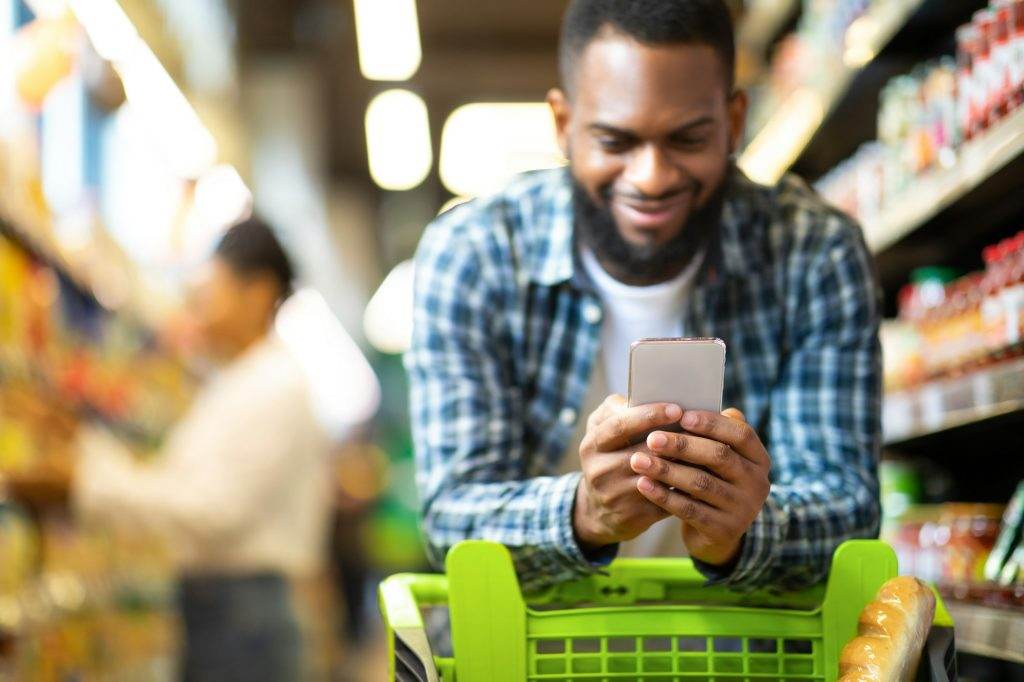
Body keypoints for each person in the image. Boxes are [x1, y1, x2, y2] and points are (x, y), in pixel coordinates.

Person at [406, 0, 882, 593]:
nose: (651, 176)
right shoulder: (473, 254)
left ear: (734, 121)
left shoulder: (814, 251)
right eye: (615, 141)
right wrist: (584, 515)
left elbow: (850, 508)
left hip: (739, 637)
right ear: (563, 123)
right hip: (536, 634)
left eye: (687, 139)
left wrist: (740, 533)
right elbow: (451, 518)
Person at [74, 217, 332, 681]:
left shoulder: (274, 386)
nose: (199, 303)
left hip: (244, 617)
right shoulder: (237, 381)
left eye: (212, 289)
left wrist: (90, 480)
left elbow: (214, 510)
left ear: (258, 293)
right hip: (226, 610)